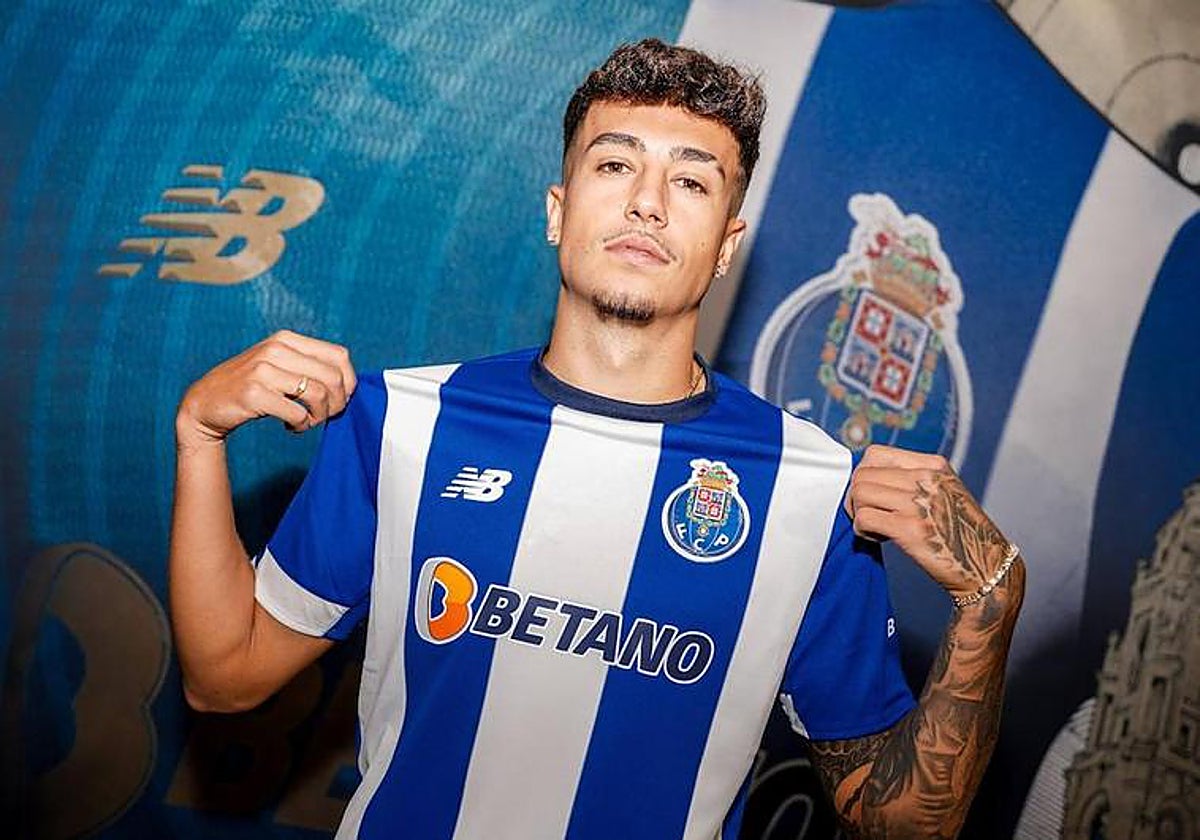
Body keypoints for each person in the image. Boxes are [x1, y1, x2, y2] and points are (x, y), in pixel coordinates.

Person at [170, 39, 1024, 840]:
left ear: (726, 247)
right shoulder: (402, 422)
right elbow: (224, 675)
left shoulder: (811, 491)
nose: (648, 202)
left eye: (691, 183)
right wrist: (199, 436)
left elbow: (901, 823)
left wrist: (990, 604)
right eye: (615, 165)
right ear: (559, 209)